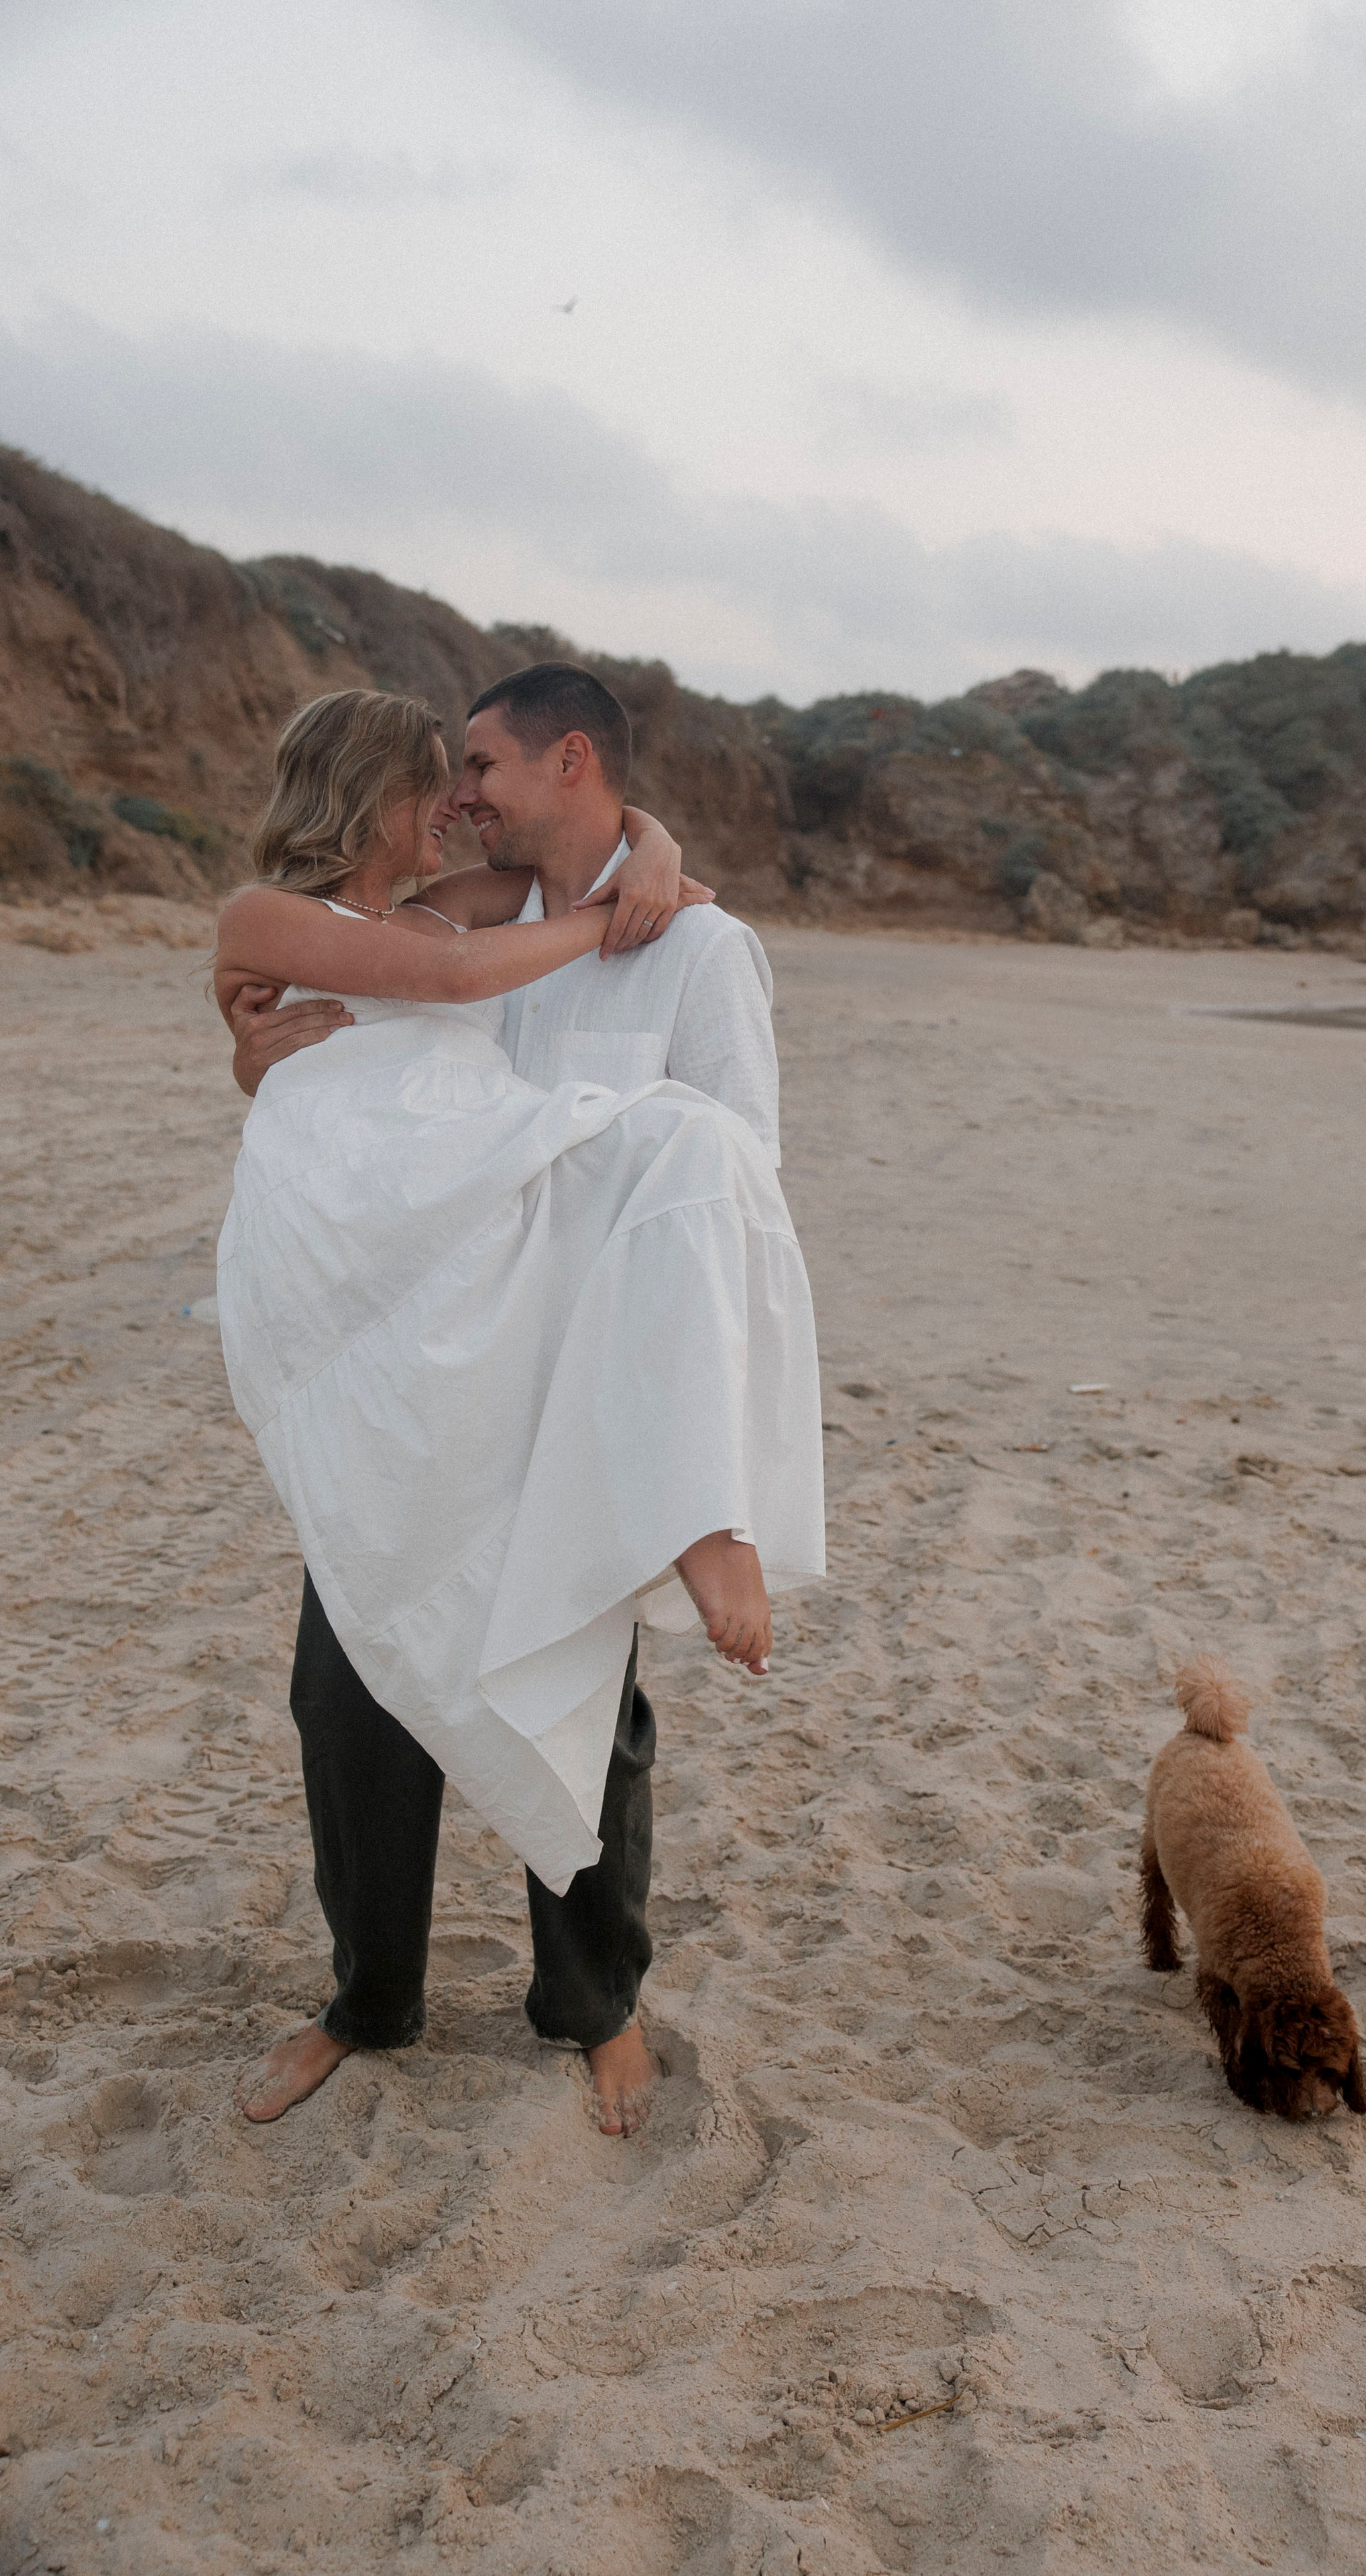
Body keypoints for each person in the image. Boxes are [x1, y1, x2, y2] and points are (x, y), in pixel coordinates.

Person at [215, 683, 823, 2135]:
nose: (461, 794)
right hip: (412, 1359)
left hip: (576, 1382)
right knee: (348, 1695)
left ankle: (592, 2005)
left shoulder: (697, 950)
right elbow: (373, 1036)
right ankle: (369, 1999)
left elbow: (739, 1182)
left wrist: (653, 866)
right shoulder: (468, 933)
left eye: (478, 767)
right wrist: (257, 1055)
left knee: (583, 1705)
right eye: (442, 776)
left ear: (570, 761)